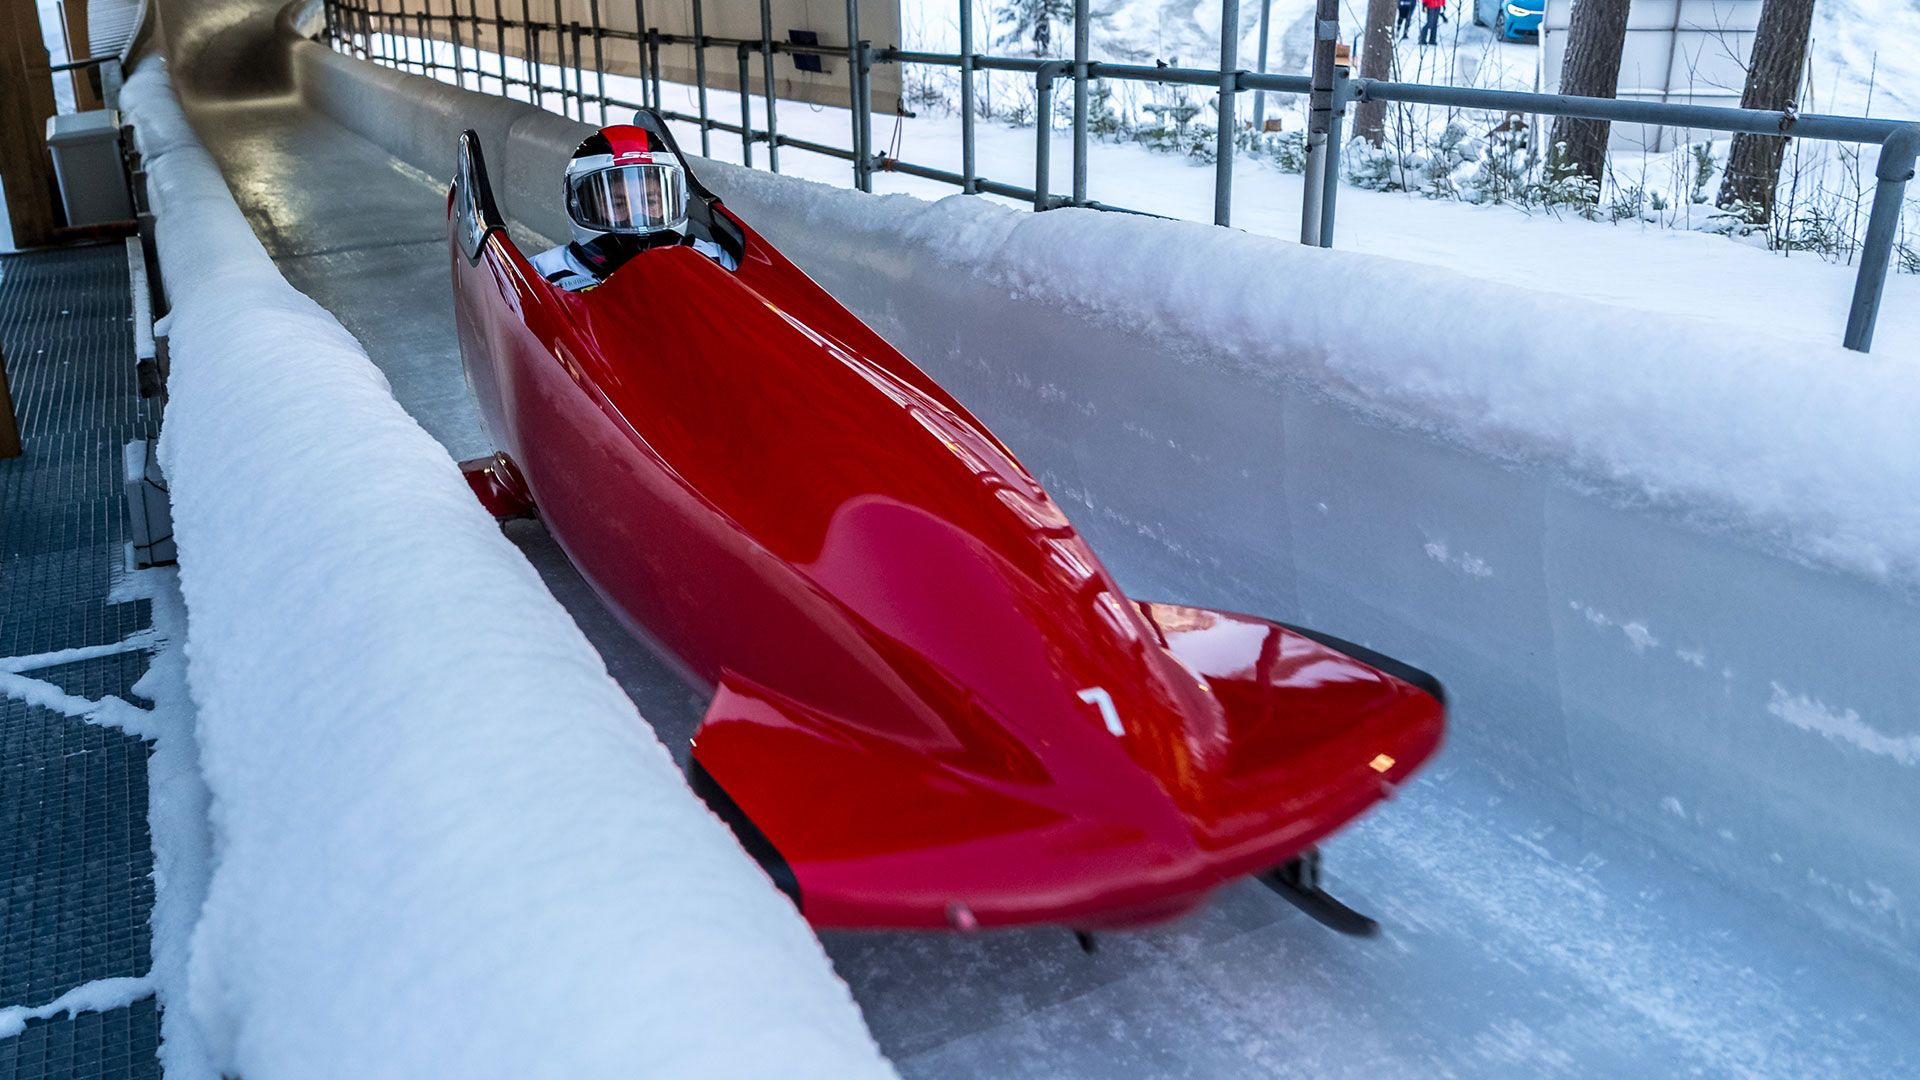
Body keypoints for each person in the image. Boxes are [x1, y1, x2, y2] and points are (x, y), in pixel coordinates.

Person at [532, 125, 736, 292]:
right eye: (618, 204)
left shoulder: (714, 261)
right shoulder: (544, 274)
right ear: (581, 207)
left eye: (651, 202)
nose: (636, 216)